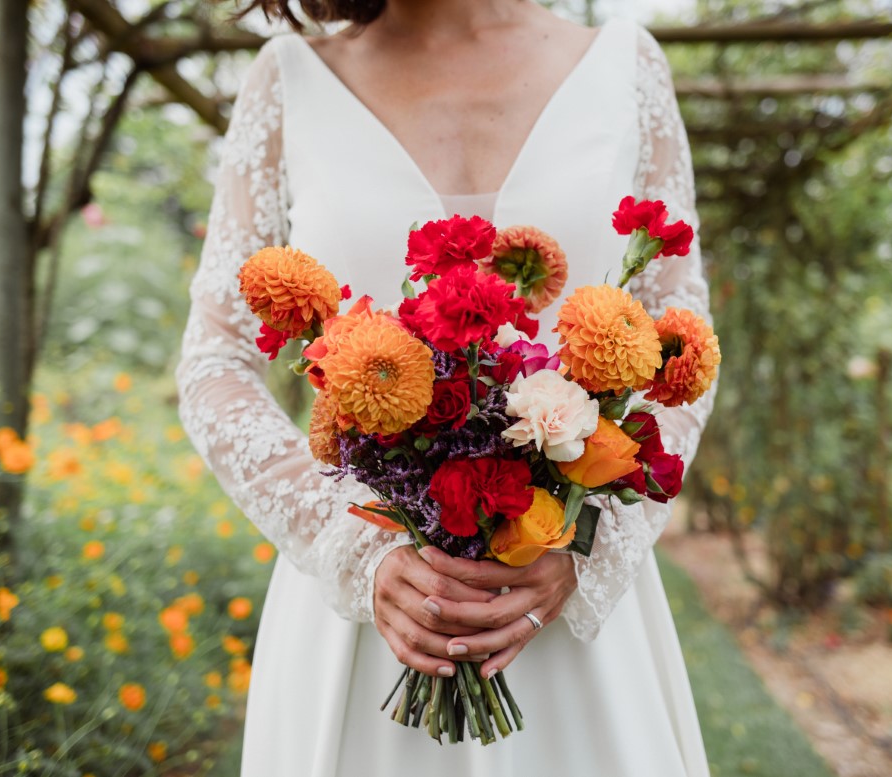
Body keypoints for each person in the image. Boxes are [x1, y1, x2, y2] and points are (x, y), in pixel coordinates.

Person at [175, 1, 718, 774]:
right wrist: (356, 547)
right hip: (368, 630)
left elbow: (680, 343)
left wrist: (587, 543)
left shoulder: (627, 67)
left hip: (571, 620)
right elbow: (215, 360)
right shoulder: (290, 79)